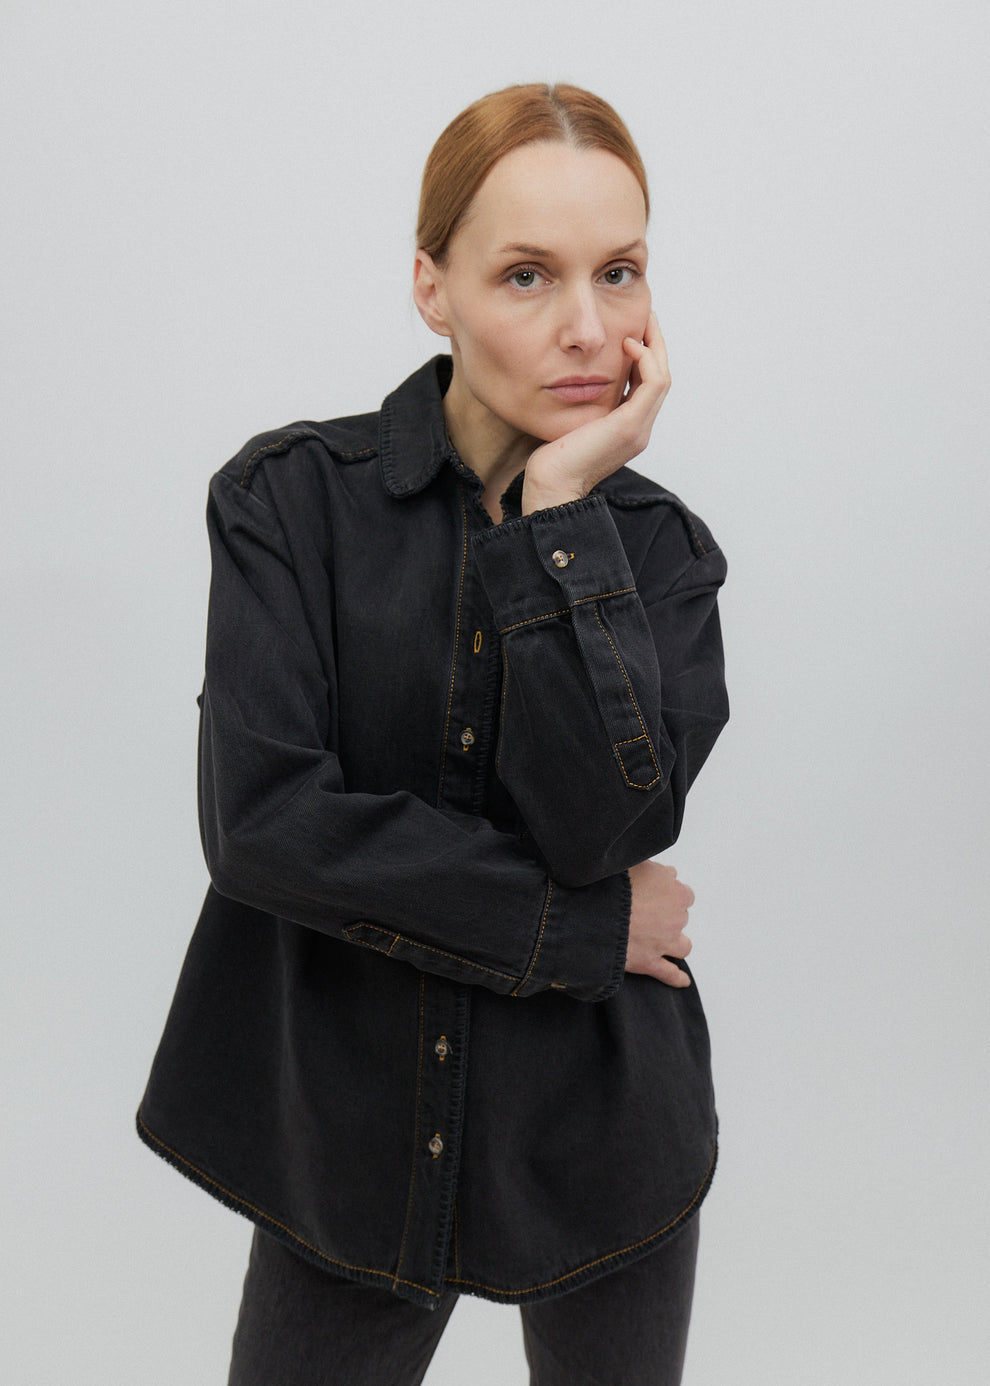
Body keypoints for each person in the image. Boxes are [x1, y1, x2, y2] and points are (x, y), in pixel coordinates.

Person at [137, 82, 729, 1385]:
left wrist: (562, 519)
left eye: (619, 271)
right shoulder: (287, 506)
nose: (588, 327)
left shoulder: (661, 554)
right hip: (351, 1134)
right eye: (526, 274)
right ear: (431, 285)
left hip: (601, 1134)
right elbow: (266, 828)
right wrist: (581, 926)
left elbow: (612, 825)